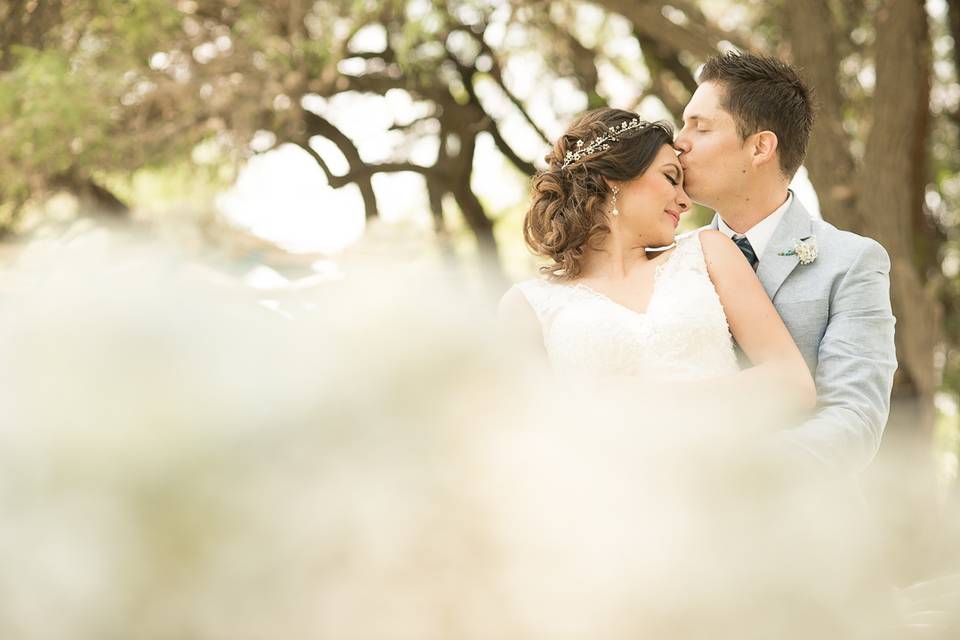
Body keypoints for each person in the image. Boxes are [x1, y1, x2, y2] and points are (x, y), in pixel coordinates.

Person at [499, 108, 815, 415]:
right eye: (669, 178)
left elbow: (793, 385)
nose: (685, 201)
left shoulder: (709, 253)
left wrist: (658, 397)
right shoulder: (528, 305)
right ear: (613, 179)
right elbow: (523, 434)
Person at [674, 52, 897, 472]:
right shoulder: (667, 261)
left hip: (799, 518)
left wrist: (737, 471)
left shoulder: (851, 263)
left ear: (760, 146)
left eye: (699, 127)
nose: (678, 141)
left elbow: (854, 417)